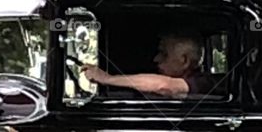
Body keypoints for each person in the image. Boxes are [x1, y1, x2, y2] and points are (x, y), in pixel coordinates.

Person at [82, 32, 217, 97]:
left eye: (164, 54)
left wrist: (107, 79)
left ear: (184, 61)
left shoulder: (203, 82)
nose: (156, 59)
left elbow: (166, 86)